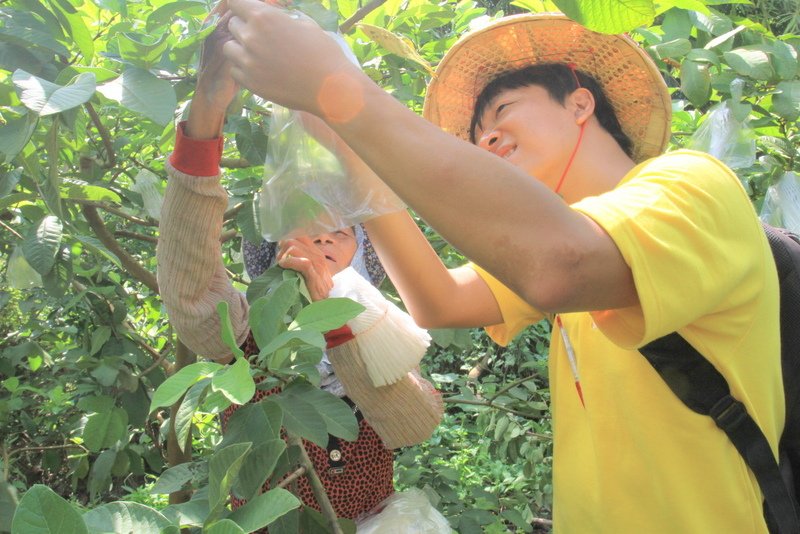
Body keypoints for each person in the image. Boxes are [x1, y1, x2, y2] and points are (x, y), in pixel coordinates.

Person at [217, 7, 784, 533]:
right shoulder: (580, 241)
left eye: (503, 110)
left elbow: (560, 264)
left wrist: (344, 95)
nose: (485, 139)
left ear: (580, 103)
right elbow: (437, 301)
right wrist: (349, 145)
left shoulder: (692, 185)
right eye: (476, 135)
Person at [155, 12, 441, 524]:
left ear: (365, 254)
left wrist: (339, 321)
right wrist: (207, 113)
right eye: (306, 235)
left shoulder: (382, 331)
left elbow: (414, 422)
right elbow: (190, 289)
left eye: (339, 235)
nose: (323, 243)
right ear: (272, 257)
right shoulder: (249, 344)